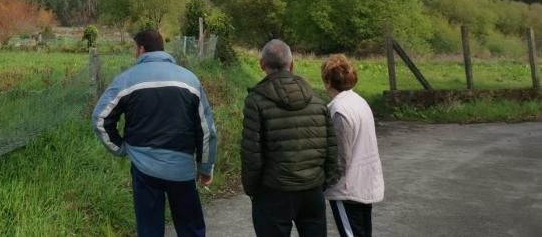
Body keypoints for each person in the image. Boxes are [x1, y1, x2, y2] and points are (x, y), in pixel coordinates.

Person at [92, 29, 217, 237]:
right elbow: (206, 130)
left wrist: (120, 148)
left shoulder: (127, 80)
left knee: (149, 230)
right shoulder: (190, 80)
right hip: (182, 168)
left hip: (144, 169)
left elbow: (100, 118)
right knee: (191, 229)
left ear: (141, 49)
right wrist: (205, 167)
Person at [241, 39, 339, 237]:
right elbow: (331, 149)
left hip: (273, 191)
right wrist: (323, 182)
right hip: (312, 190)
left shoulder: (256, 101)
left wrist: (252, 189)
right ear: (292, 64)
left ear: (262, 65)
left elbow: (252, 154)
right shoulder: (317, 100)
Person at [321, 54, 384, 237]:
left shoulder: (339, 110)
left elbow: (341, 159)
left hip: (347, 189)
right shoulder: (360, 102)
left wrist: (324, 184)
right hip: (365, 183)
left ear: (327, 81)